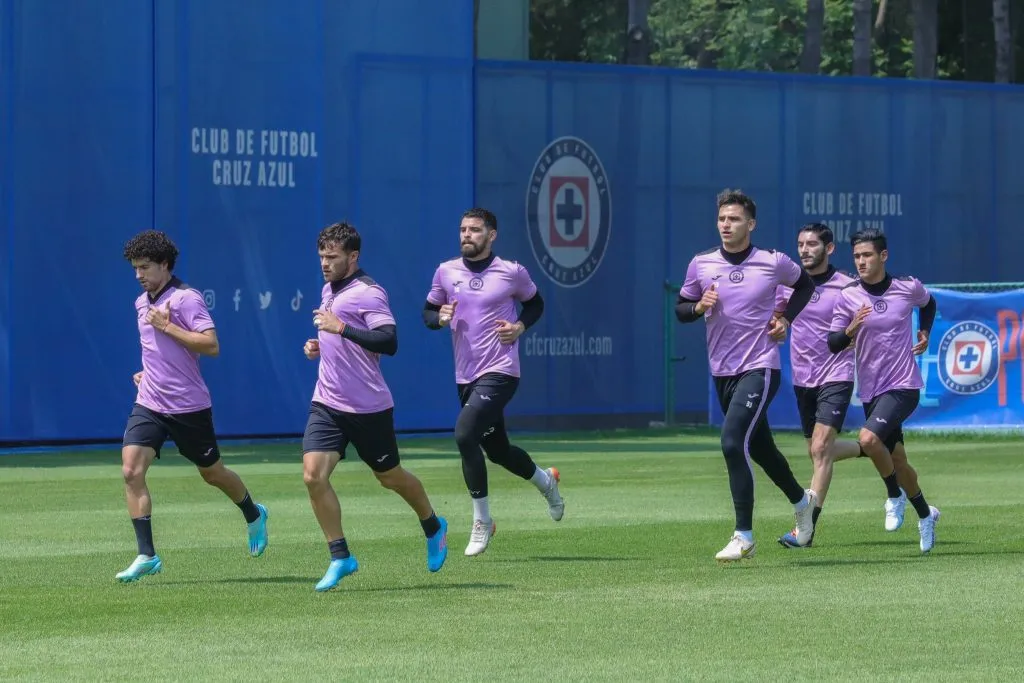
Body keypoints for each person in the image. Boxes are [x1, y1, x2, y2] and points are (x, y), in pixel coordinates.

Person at [302, 222, 448, 591]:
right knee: (313, 476)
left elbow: (388, 341)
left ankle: (433, 525)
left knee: (390, 477)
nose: (324, 263)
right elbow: (340, 337)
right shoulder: (328, 289)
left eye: (332, 257)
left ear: (353, 257)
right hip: (327, 402)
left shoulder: (369, 292)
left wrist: (340, 330)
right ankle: (340, 556)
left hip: (368, 408)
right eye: (321, 256)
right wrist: (320, 345)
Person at [676, 189, 818, 561]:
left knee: (731, 441)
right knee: (761, 449)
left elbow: (805, 285)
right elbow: (681, 308)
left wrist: (785, 319)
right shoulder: (701, 263)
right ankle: (802, 501)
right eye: (722, 218)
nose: (726, 225)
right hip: (722, 371)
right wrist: (697, 306)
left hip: (760, 366)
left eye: (734, 219)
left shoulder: (772, 261)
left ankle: (744, 536)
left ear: (751, 224)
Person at [119, 230, 269, 582]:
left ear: (165, 265)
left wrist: (167, 326)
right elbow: (157, 351)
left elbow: (211, 345)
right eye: (135, 268)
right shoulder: (141, 303)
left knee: (212, 473)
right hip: (150, 402)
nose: (139, 274)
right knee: (130, 470)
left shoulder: (186, 299)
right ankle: (147, 554)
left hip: (189, 407)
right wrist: (147, 372)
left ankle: (253, 513)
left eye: (145, 267)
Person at [422, 208, 563, 557]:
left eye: (474, 229)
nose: (466, 235)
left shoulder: (511, 272)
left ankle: (482, 521)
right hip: (465, 375)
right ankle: (546, 481)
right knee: (498, 451)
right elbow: (428, 313)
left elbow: (535, 304)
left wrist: (519, 327)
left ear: (492, 235)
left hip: (501, 370)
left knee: (464, 434)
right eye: (462, 229)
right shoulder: (446, 271)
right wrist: (439, 317)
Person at [827, 228, 941, 553]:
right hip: (871, 390)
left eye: (867, 255)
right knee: (898, 461)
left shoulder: (906, 287)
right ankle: (926, 515)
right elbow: (833, 343)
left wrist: (925, 331)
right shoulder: (848, 295)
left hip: (903, 385)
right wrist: (850, 329)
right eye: (857, 256)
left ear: (883, 256)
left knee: (867, 439)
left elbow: (929, 303)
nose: (861, 261)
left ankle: (894, 495)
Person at [773, 223, 867, 548]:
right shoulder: (789, 286)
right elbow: (776, 317)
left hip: (837, 374)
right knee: (817, 452)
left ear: (829, 248)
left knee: (820, 449)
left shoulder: (848, 286)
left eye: (812, 244)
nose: (804, 250)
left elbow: (869, 321)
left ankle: (806, 529)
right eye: (800, 244)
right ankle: (870, 447)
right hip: (803, 378)